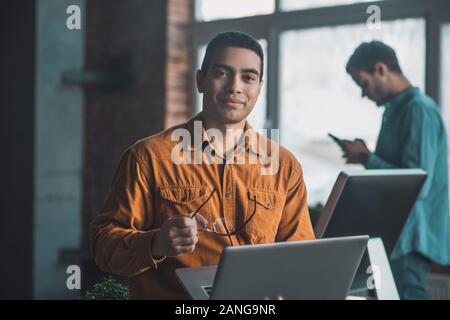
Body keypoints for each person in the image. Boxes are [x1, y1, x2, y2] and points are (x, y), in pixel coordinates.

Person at [90, 31, 315, 299]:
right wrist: (155, 243)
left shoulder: (284, 166)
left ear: (259, 87)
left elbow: (300, 257)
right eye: (222, 73)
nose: (235, 86)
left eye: (248, 77)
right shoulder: (147, 157)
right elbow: (103, 246)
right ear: (201, 80)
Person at [342, 40, 450, 299]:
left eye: (363, 84)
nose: (364, 94)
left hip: (412, 235)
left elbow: (415, 182)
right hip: (399, 233)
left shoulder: (418, 110)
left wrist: (367, 158)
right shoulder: (396, 111)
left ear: (380, 69)